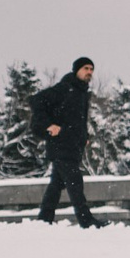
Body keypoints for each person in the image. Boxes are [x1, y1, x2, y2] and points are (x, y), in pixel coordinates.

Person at [31, 57, 100, 227]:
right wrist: (48, 125)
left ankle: (44, 219)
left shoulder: (82, 92)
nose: (89, 72)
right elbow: (36, 100)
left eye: (91, 69)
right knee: (75, 181)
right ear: (76, 70)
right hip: (61, 146)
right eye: (86, 68)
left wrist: (84, 137)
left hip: (73, 147)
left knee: (56, 185)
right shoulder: (65, 88)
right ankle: (86, 220)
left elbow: (77, 120)